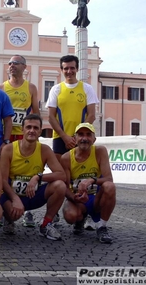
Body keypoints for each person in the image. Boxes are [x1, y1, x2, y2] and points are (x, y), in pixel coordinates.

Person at [46, 54, 99, 230]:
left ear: (77, 69)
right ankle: (53, 216)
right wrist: (64, 136)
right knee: (61, 178)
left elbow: (91, 114)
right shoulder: (56, 89)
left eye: (72, 68)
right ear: (61, 70)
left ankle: (84, 213)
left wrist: (77, 137)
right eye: (65, 68)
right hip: (60, 139)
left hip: (81, 139)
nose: (69, 71)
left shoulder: (87, 88)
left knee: (81, 176)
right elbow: (51, 117)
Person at [0, 114, 66, 240]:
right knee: (13, 214)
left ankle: (46, 224)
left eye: (36, 128)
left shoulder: (44, 150)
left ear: (40, 131)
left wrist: (38, 177)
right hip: (13, 195)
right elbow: (2, 180)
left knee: (60, 186)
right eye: (28, 127)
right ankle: (8, 219)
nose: (32, 130)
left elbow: (61, 175)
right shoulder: (9, 149)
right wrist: (15, 199)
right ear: (22, 129)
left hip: (33, 195)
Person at [0, 55, 40, 228]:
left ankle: (28, 210)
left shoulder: (31, 87)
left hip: (24, 136)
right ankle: (6, 210)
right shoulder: (1, 88)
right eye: (9, 63)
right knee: (5, 174)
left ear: (24, 67)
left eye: (15, 63)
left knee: (28, 170)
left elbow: (35, 112)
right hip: (6, 137)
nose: (11, 66)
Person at [61, 123, 116, 243]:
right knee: (70, 216)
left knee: (110, 187)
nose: (84, 138)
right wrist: (74, 198)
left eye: (88, 135)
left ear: (94, 139)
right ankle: (80, 219)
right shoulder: (66, 158)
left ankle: (102, 226)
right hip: (79, 199)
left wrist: (92, 180)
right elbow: (64, 187)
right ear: (74, 138)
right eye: (80, 135)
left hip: (97, 198)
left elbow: (108, 179)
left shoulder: (100, 151)